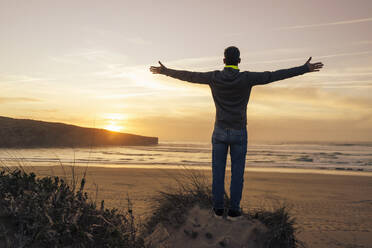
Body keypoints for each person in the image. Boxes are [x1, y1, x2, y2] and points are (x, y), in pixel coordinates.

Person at [150, 46, 323, 220]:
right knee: (237, 173)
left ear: (224, 60)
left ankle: (218, 209)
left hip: (219, 131)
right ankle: (234, 210)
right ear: (239, 61)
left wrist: (165, 71)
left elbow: (190, 76)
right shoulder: (247, 78)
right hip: (239, 131)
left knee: (218, 172)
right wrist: (304, 69)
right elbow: (274, 75)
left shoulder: (214, 77)